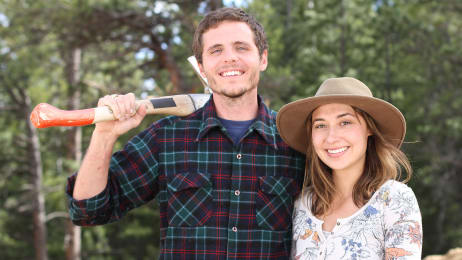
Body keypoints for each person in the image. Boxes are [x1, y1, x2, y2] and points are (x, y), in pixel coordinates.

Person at [66, 7, 305, 259]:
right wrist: (104, 134)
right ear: (201, 67)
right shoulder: (166, 138)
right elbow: (88, 211)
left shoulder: (295, 141)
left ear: (263, 58)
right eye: (216, 51)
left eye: (241, 47)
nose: (229, 58)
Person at [276, 77, 422, 259]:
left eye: (345, 122)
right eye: (320, 125)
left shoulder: (394, 200)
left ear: (369, 128)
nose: (331, 138)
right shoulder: (302, 204)